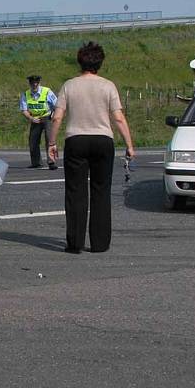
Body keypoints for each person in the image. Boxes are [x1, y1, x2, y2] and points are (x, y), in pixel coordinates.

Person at [48, 42, 135, 254]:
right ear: (100, 62)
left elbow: (57, 117)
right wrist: (129, 145)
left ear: (80, 62)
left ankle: (75, 242)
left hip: (76, 140)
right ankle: (100, 243)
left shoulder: (69, 85)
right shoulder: (108, 86)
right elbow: (118, 118)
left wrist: (51, 142)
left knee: (75, 192)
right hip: (103, 140)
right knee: (101, 191)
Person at [20, 75, 58, 169]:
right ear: (30, 84)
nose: (34, 85)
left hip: (47, 117)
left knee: (49, 139)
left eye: (36, 83)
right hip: (35, 118)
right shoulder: (26, 94)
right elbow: (24, 110)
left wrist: (54, 113)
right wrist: (31, 118)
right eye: (32, 83)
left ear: (39, 83)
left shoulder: (47, 91)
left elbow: (57, 104)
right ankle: (36, 162)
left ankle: (51, 162)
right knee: (33, 140)